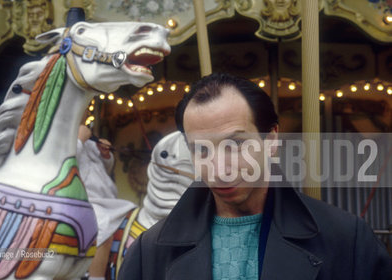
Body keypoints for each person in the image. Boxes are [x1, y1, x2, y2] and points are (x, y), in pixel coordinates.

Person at [118, 73, 392, 279]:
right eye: (201, 149)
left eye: (235, 145)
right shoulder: (149, 251)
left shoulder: (347, 240)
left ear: (271, 139)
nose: (219, 169)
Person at [77, 125, 136, 280]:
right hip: (84, 198)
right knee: (102, 222)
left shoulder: (90, 142)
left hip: (107, 197)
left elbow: (105, 168)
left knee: (132, 213)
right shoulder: (66, 136)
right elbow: (62, 161)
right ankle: (95, 276)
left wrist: (105, 155)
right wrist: (79, 140)